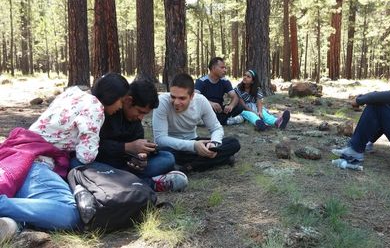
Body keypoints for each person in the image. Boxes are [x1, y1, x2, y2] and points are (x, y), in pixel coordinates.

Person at [0, 73, 129, 242]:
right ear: (112, 96)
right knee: (73, 212)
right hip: (38, 162)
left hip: (20, 155)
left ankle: (12, 223)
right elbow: (86, 156)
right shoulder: (95, 108)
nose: (121, 106)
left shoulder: (73, 93)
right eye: (121, 100)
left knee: (36, 210)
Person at [94, 80, 187, 192]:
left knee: (167, 158)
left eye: (144, 114)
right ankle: (150, 183)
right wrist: (126, 147)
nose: (141, 118)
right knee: (77, 163)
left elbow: (136, 153)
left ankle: (123, 182)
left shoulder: (135, 121)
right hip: (104, 164)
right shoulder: (109, 110)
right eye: (140, 112)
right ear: (128, 101)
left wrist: (141, 159)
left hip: (124, 167)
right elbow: (94, 147)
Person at [153, 73, 240, 172]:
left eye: (182, 98)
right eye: (173, 97)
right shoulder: (162, 102)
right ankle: (222, 159)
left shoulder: (201, 101)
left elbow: (216, 128)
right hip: (171, 146)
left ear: (192, 96)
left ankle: (190, 166)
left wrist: (213, 144)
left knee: (233, 143)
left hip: (193, 140)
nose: (176, 102)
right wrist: (193, 146)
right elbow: (160, 139)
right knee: (167, 155)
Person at [195, 57, 244, 125]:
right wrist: (210, 104)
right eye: (222, 67)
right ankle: (227, 121)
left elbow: (235, 97)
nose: (225, 70)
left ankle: (208, 121)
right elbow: (194, 97)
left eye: (225, 68)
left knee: (239, 107)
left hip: (219, 109)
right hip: (205, 109)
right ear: (213, 68)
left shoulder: (225, 81)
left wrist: (231, 106)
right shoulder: (201, 81)